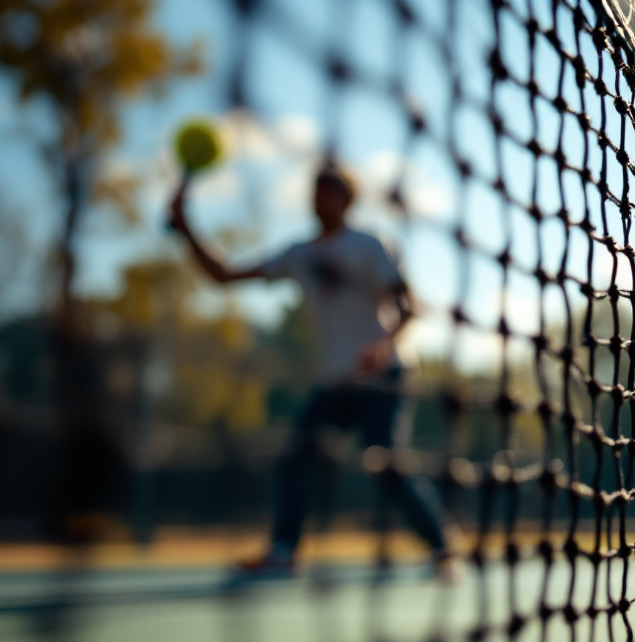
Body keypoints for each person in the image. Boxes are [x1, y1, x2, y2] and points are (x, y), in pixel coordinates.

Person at [169, 161, 458, 577]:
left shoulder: (368, 245)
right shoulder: (299, 254)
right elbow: (224, 275)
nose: (320, 198)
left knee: (385, 461)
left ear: (347, 199)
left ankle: (443, 548)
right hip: (335, 383)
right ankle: (284, 551)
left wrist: (382, 345)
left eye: (330, 191)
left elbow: (409, 307)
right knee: (295, 458)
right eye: (316, 190)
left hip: (384, 378)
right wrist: (186, 227)